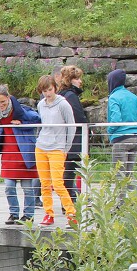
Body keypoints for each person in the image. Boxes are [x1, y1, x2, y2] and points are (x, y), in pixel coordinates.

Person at [0, 85, 41, 224]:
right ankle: (14, 213)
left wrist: (22, 122)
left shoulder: (20, 110)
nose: (0, 105)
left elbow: (37, 119)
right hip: (8, 153)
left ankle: (28, 215)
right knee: (9, 186)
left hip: (23, 153)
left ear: (8, 98)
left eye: (3, 102)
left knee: (27, 188)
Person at [34, 74, 78, 228]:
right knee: (45, 183)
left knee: (58, 183)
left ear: (55, 88)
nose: (48, 93)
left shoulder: (63, 104)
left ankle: (71, 213)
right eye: (44, 91)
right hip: (41, 146)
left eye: (50, 89)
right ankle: (48, 213)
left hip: (57, 148)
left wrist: (66, 147)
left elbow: (71, 126)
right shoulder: (41, 105)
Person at [107, 68, 137, 192]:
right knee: (129, 174)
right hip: (136, 137)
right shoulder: (133, 97)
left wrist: (110, 131)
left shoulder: (114, 97)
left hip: (121, 139)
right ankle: (134, 204)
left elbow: (116, 119)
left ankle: (120, 206)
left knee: (119, 175)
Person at [57, 65, 88, 201]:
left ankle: (69, 200)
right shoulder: (71, 96)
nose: (80, 81)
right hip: (74, 140)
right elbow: (79, 118)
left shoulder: (62, 95)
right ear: (70, 80)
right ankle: (71, 200)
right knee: (71, 172)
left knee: (68, 172)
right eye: (77, 78)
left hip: (66, 139)